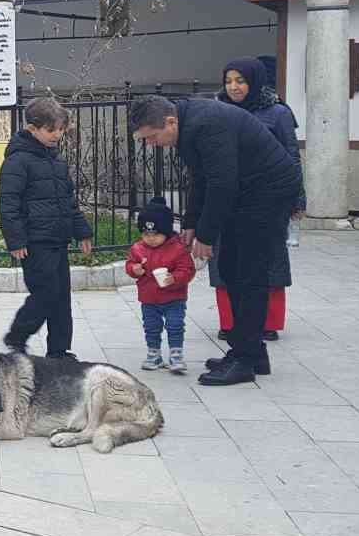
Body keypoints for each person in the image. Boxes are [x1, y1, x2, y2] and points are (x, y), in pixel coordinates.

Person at [129, 94, 300, 385]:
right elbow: (201, 177)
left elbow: (222, 184)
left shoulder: (208, 125)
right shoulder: (188, 125)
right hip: (247, 192)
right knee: (232, 269)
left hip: (267, 193)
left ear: (170, 122)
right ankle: (250, 351)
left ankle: (245, 361)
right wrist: (192, 222)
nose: (151, 144)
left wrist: (206, 235)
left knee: (248, 271)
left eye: (153, 136)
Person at [210, 57, 303, 342]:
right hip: (229, 196)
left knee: (268, 258)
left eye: (240, 81)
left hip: (268, 196)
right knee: (225, 259)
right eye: (229, 81)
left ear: (255, 81)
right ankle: (230, 321)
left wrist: (297, 198)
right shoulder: (218, 111)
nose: (234, 87)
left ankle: (267, 322)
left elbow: (291, 156)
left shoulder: (277, 113)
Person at [0, 98, 93, 360]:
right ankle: (18, 335)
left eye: (61, 129)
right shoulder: (17, 162)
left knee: (62, 296)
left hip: (58, 238)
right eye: (51, 130)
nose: (57, 135)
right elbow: (8, 204)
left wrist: (81, 230)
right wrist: (16, 240)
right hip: (35, 242)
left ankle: (59, 350)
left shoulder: (56, 161)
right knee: (46, 292)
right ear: (32, 128)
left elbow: (68, 200)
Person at [125, 197, 196, 374]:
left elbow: (188, 269)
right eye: (146, 234)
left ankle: (176, 354)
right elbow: (130, 265)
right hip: (149, 298)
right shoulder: (138, 249)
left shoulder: (178, 249)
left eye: (156, 234)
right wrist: (135, 269)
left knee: (175, 325)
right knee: (151, 327)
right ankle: (154, 353)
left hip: (174, 297)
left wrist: (175, 278)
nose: (151, 239)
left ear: (166, 232)